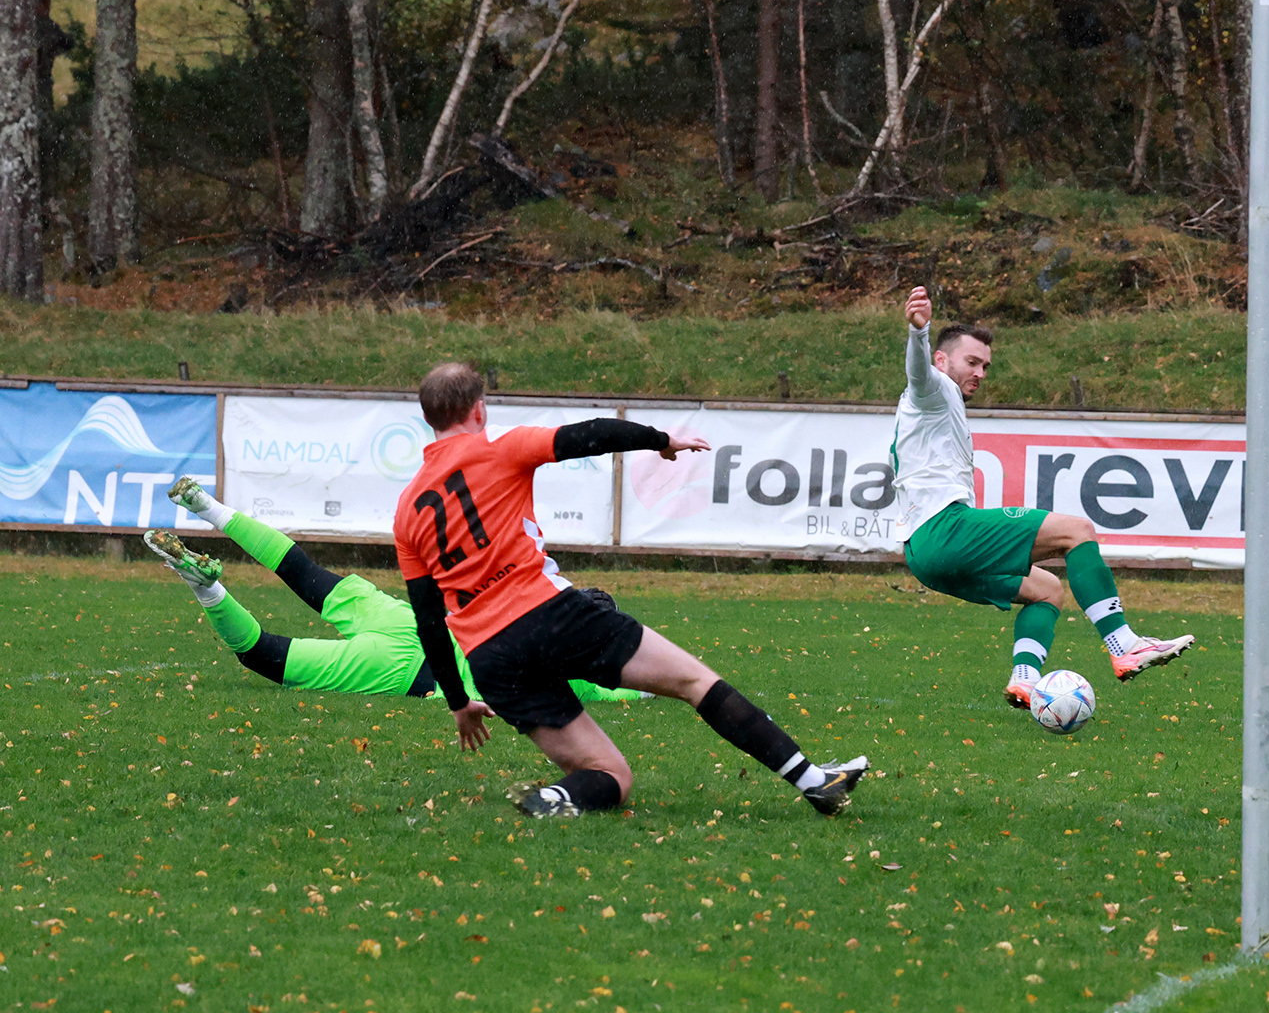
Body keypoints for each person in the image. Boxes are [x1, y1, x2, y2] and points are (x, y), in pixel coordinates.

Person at [394, 362, 867, 819]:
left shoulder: (406, 510)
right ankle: (812, 782)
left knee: (610, 775)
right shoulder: (500, 447)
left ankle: (559, 797)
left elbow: (429, 621)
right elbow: (592, 434)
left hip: (492, 658)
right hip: (551, 616)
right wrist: (661, 442)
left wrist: (458, 702)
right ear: (478, 409)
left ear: (427, 416)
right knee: (695, 682)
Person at [891, 286, 1195, 710]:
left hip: (923, 557)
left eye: (986, 366)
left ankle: (1026, 681)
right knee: (1077, 531)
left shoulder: (941, 408)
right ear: (942, 360)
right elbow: (918, 375)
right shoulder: (935, 388)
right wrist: (918, 334)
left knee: (1048, 589)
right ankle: (1124, 644)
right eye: (972, 362)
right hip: (945, 530)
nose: (980, 372)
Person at [145, 481, 647, 704]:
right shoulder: (578, 675)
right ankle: (203, 585)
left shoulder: (528, 602)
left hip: (407, 622)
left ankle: (208, 506)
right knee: (264, 655)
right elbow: (640, 687)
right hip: (406, 669)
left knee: (305, 573)